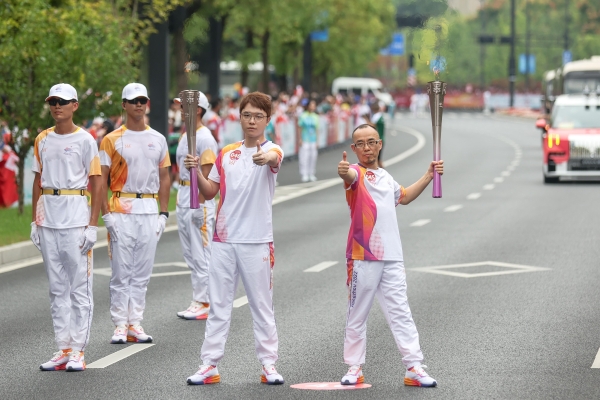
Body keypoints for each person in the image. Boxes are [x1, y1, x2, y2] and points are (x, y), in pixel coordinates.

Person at [184, 92, 284, 386]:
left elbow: (273, 158)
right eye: (247, 115)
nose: (252, 121)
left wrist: (264, 157)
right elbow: (209, 191)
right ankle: (209, 364)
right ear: (240, 117)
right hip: (224, 240)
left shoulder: (272, 149)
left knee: (261, 305)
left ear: (267, 119)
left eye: (258, 116)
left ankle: (268, 364)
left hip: (257, 241)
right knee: (219, 304)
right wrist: (194, 173)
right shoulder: (227, 152)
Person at [336, 124, 443, 387]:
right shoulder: (356, 175)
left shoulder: (384, 176)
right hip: (363, 256)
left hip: (393, 256)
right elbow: (348, 175)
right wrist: (344, 172)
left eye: (371, 142)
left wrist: (428, 175)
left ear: (380, 144)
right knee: (357, 313)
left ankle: (414, 367)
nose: (366, 148)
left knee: (400, 312)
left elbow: (404, 197)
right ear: (354, 149)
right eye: (360, 144)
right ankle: (354, 367)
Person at [32, 83, 102, 371]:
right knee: (57, 288)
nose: (56, 106)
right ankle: (63, 347)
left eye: (62, 101)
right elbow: (38, 180)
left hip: (75, 218)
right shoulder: (42, 139)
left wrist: (93, 224)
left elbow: (97, 182)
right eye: (52, 101)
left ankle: (78, 350)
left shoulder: (86, 140)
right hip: (49, 218)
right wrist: (35, 221)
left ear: (74, 105)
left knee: (78, 288)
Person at [99, 83, 171, 344]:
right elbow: (101, 179)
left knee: (142, 271)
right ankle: (119, 323)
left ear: (147, 102)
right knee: (121, 270)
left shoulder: (158, 139)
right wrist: (105, 214)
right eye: (133, 101)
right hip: (121, 207)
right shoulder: (111, 139)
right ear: (124, 105)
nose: (138, 104)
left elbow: (165, 177)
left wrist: (164, 213)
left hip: (149, 209)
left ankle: (135, 323)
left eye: (142, 100)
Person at [174, 92, 218, 320]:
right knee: (191, 254)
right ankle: (199, 298)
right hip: (183, 196)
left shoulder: (205, 138)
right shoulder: (186, 136)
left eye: (184, 106)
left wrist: (199, 205)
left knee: (202, 253)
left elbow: (209, 173)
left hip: (197, 200)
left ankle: (206, 300)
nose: (180, 110)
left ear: (197, 109)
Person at [298, 99, 319, 182]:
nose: (313, 106)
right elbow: (300, 127)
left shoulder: (316, 116)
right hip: (305, 139)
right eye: (312, 105)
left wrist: (317, 140)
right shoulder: (303, 115)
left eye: (314, 105)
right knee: (304, 157)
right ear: (308, 106)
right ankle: (304, 174)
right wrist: (300, 138)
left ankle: (311, 173)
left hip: (313, 139)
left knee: (313, 157)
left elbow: (317, 129)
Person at [370, 103, 385, 168]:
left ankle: (384, 174)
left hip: (377, 139)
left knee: (376, 159)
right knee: (377, 158)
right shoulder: (381, 116)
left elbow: (372, 125)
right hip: (381, 138)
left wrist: (366, 119)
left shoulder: (376, 116)